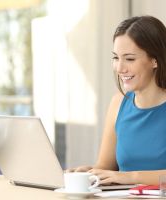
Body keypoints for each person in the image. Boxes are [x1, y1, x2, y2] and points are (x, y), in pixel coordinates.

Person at [67, 15, 166, 186]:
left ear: (154, 60)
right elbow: (106, 166)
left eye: (129, 59)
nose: (120, 68)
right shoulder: (118, 103)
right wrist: (90, 173)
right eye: (116, 58)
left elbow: (123, 176)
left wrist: (130, 177)